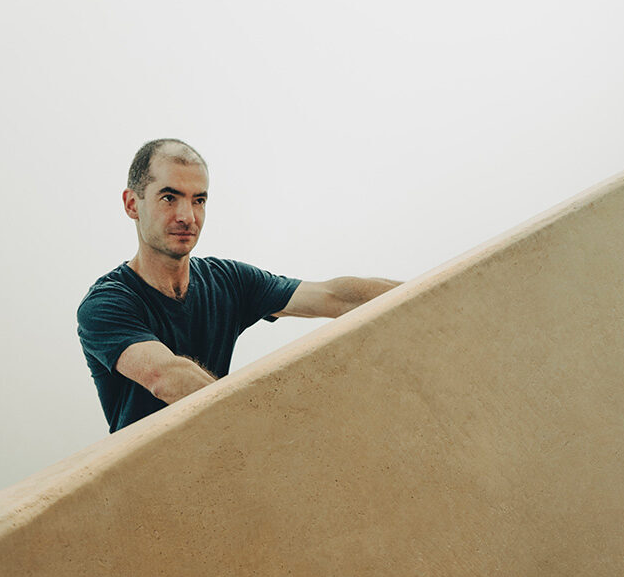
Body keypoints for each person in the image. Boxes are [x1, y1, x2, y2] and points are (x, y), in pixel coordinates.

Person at [77, 138, 400, 432]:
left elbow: (336, 296)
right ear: (132, 204)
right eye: (169, 197)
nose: (187, 216)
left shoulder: (228, 280)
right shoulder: (106, 304)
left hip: (222, 468)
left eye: (198, 200)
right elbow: (169, 378)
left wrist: (440, 293)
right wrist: (264, 430)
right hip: (145, 485)